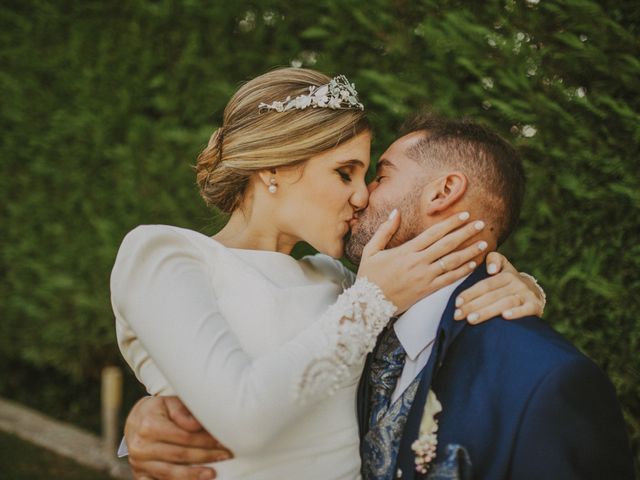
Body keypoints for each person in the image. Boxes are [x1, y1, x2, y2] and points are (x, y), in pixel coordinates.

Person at [111, 68, 545, 480]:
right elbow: (240, 418)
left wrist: (514, 284)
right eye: (345, 173)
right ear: (274, 167)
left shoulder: (335, 279)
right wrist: (373, 298)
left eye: (366, 174)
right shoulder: (163, 254)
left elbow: (428, 337)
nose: (361, 196)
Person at [348, 115, 635, 479]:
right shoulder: (348, 327)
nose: (359, 195)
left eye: (381, 176)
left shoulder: (549, 379)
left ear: (443, 191)